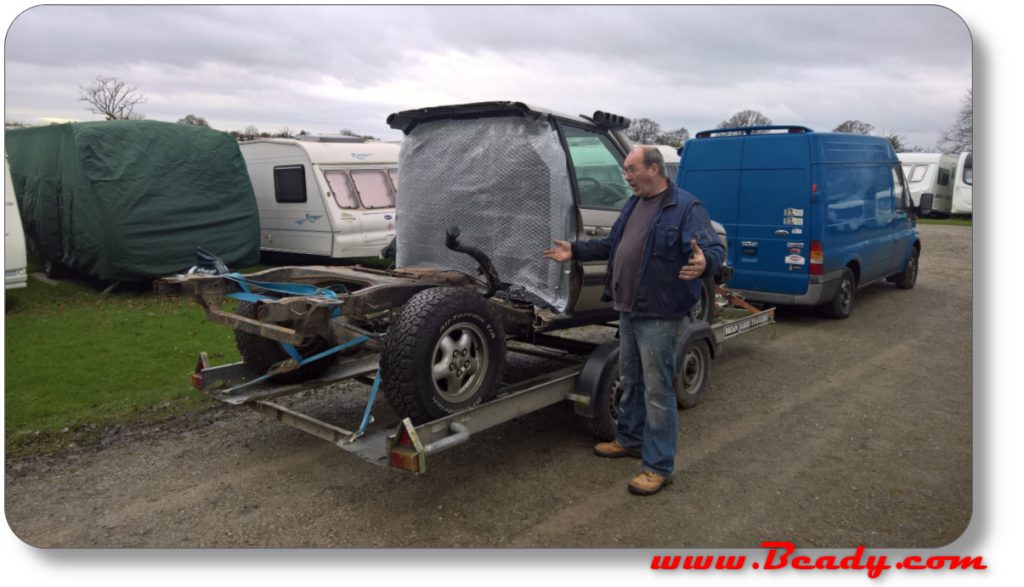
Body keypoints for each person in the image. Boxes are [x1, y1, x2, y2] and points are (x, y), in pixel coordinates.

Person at [544, 145, 724, 495]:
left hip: (660, 312)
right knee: (632, 380)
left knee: (658, 390)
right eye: (625, 171)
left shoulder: (685, 206)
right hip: (628, 307)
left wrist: (706, 264)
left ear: (654, 169)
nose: (625, 177)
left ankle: (659, 466)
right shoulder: (633, 204)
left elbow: (713, 249)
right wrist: (576, 250)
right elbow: (614, 244)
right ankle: (629, 439)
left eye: (630, 170)